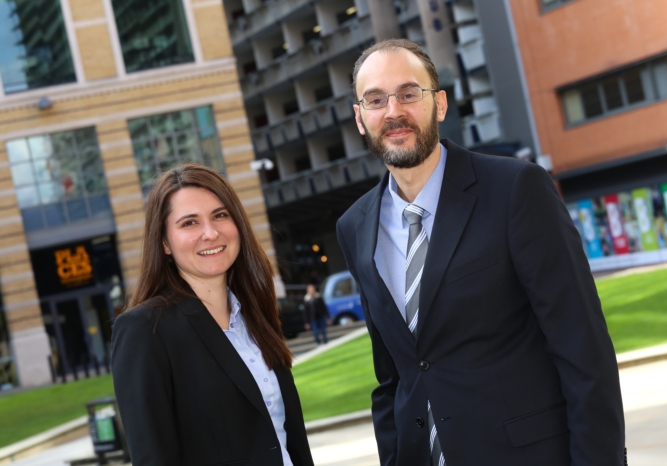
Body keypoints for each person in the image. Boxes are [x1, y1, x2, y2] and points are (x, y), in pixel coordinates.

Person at [336, 39, 626, 466]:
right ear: (360, 118)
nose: (393, 111)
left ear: (439, 104)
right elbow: (393, 374)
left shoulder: (515, 189)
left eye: (408, 93)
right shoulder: (354, 227)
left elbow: (583, 348)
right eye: (376, 100)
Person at [111, 164, 314, 466]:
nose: (211, 233)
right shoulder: (145, 330)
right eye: (189, 223)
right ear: (164, 242)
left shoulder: (254, 314)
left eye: (220, 215)